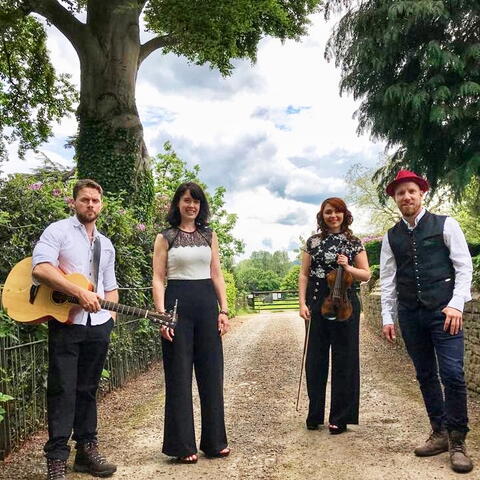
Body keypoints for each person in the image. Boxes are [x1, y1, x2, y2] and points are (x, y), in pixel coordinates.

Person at [380, 170, 473, 473]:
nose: (406, 197)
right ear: (394, 199)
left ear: (421, 194)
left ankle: (458, 441)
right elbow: (388, 278)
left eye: (411, 191)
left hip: (444, 313)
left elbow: (463, 267)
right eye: (400, 193)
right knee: (424, 374)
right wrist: (387, 316)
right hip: (410, 314)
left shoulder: (446, 224)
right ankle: (440, 432)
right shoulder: (391, 236)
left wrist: (456, 305)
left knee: (453, 375)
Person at [32, 179, 118, 480]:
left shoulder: (105, 244)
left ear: (101, 205)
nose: (90, 205)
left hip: (98, 326)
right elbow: (40, 268)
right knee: (62, 390)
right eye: (85, 200)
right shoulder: (58, 231)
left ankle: (86, 451)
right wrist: (78, 292)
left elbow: (111, 287)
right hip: (66, 323)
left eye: (95, 200)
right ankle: (56, 458)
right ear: (74, 202)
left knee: (88, 390)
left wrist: (111, 319)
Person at [152, 181, 230, 464]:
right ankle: (181, 445)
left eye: (195, 201)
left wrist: (224, 310)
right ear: (178, 204)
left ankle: (214, 441)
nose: (191, 205)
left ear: (201, 205)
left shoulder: (210, 236)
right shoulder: (166, 237)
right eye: (186, 200)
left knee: (211, 376)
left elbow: (217, 274)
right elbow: (158, 278)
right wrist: (162, 315)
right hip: (177, 307)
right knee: (178, 377)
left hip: (207, 306)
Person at [298, 197, 370, 434]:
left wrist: (348, 268)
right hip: (318, 299)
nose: (333, 216)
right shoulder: (313, 241)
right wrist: (302, 303)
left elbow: (366, 274)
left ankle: (340, 417)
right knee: (315, 358)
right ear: (322, 215)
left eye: (338, 212)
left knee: (345, 359)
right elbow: (304, 275)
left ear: (344, 215)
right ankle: (314, 413)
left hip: (346, 303)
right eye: (329, 212)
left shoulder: (353, 242)